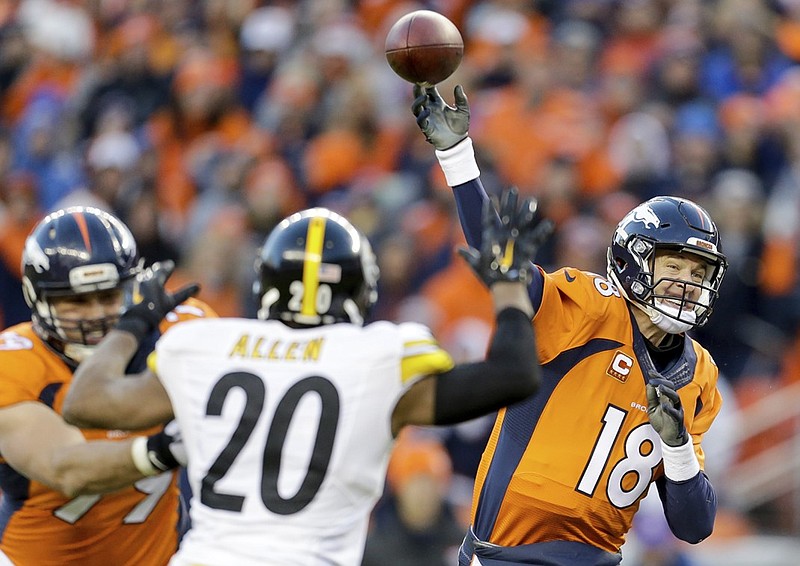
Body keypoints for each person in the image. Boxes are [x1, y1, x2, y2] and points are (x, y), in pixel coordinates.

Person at [62, 196, 551, 566]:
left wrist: (134, 323)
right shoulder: (377, 356)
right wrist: (508, 286)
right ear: (363, 289)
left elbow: (86, 402)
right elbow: (514, 375)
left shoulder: (204, 346)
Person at [410, 84, 729, 565]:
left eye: (698, 273)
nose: (687, 284)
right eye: (676, 268)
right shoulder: (589, 306)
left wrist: (678, 445)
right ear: (635, 262)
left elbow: (694, 525)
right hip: (507, 555)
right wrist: (457, 157)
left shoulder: (698, 375)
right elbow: (504, 267)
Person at [0, 206, 215, 565]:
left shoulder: (178, 331)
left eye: (109, 295)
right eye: (76, 301)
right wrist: (165, 449)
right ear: (38, 298)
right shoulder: (15, 361)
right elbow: (66, 468)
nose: (97, 314)